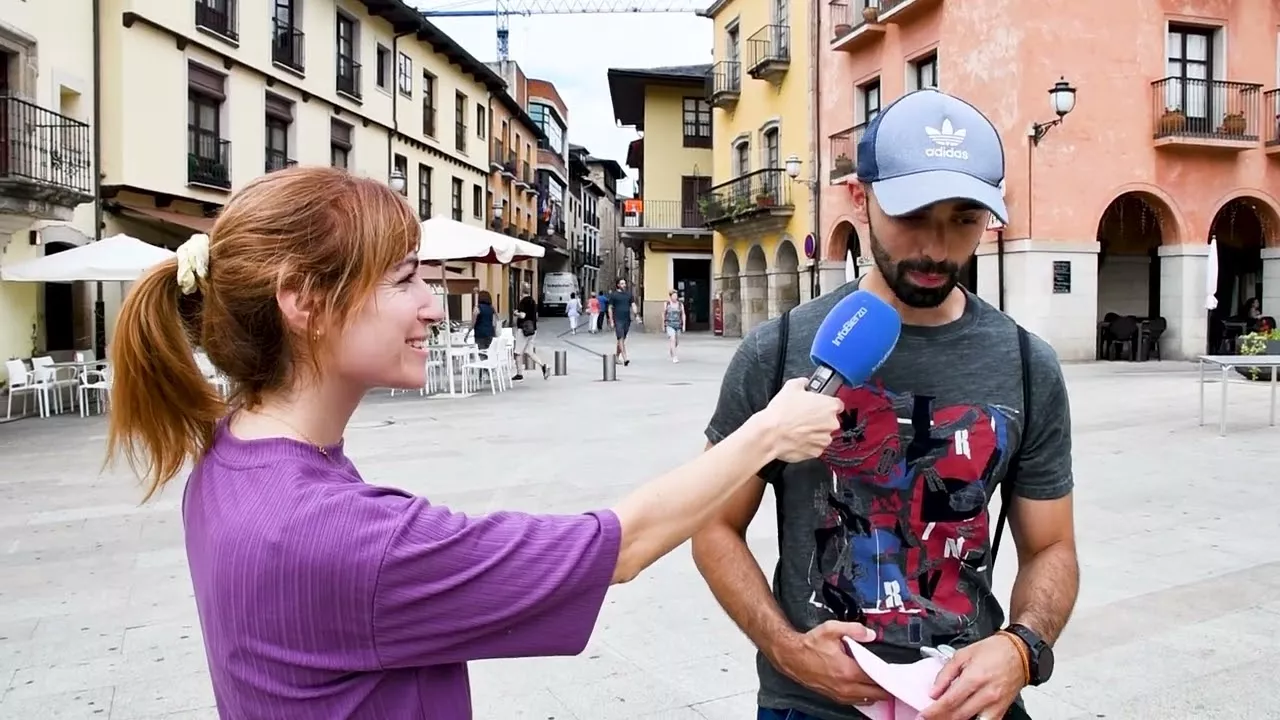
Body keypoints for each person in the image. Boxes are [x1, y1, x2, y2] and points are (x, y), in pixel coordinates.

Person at [102, 166, 845, 720]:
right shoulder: (337, 535)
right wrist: (766, 434)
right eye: (404, 279)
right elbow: (615, 547)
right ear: (304, 301)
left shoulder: (229, 459)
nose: (433, 302)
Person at [691, 89, 1079, 720]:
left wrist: (1023, 647)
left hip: (968, 702)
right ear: (859, 197)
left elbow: (1052, 546)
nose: (936, 247)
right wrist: (786, 649)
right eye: (913, 215)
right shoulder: (779, 351)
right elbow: (712, 525)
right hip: (810, 704)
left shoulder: (1028, 366)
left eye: (963, 219)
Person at [515, 285, 549, 380]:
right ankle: (543, 366)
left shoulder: (523, 302)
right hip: (533, 330)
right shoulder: (533, 301)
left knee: (518, 352)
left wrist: (516, 313)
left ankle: (519, 374)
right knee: (529, 351)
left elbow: (523, 315)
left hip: (523, 330)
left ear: (521, 291)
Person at [608, 278, 638, 366]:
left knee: (621, 339)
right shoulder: (614, 295)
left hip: (627, 320)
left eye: (624, 283)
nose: (624, 285)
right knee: (620, 338)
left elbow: (633, 305)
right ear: (618, 285)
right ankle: (625, 358)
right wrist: (611, 320)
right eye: (622, 283)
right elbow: (610, 308)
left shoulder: (629, 295)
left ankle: (616, 357)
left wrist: (636, 315)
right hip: (618, 319)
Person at [664, 290, 686, 363]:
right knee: (672, 339)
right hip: (669, 324)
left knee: (676, 342)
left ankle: (672, 349)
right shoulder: (667, 304)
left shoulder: (680, 304)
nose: (675, 297)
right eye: (673, 296)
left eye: (676, 296)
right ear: (670, 296)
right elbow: (664, 314)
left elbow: (683, 314)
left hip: (678, 324)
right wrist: (663, 324)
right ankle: (674, 356)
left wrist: (684, 325)